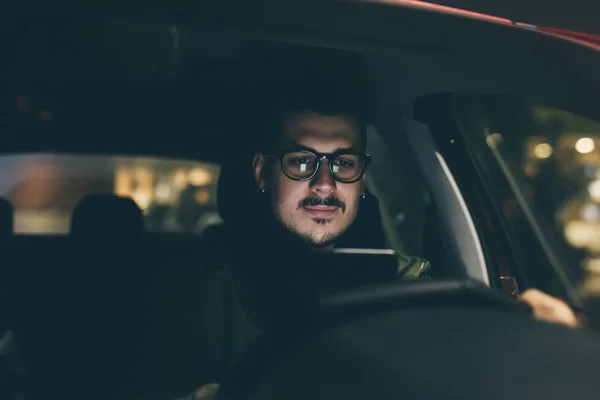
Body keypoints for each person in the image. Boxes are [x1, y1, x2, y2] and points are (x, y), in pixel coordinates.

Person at [177, 43, 581, 400]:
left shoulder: (410, 287)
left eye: (344, 162)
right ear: (261, 172)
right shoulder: (199, 295)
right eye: (302, 162)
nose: (324, 184)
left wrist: (535, 342)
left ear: (362, 177)